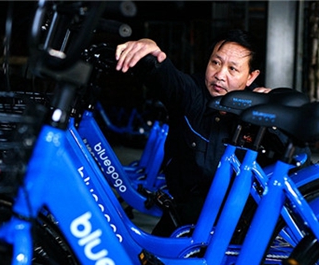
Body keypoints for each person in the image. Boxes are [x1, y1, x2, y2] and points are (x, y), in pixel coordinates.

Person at [115, 29, 271, 237]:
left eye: (232, 69)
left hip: (241, 223)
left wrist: (276, 99)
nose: (219, 75)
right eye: (216, 63)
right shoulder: (191, 93)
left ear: (251, 76)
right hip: (186, 215)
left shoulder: (261, 109)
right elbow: (164, 74)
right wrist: (147, 47)